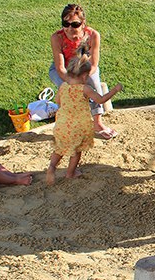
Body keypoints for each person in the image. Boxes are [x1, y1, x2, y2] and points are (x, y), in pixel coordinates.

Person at [46, 48, 123, 185]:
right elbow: (101, 100)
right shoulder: (85, 89)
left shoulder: (63, 86)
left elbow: (58, 101)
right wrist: (115, 90)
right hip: (78, 126)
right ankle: (70, 173)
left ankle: (52, 168)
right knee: (76, 150)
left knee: (59, 148)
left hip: (62, 125)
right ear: (84, 76)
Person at [49, 4, 116, 139]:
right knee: (67, 90)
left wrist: (83, 80)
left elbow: (93, 64)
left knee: (94, 85)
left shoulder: (93, 35)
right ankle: (69, 125)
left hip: (86, 68)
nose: (69, 28)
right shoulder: (57, 38)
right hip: (65, 70)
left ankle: (97, 122)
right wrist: (72, 81)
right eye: (65, 24)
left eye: (75, 24)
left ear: (83, 23)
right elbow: (60, 68)